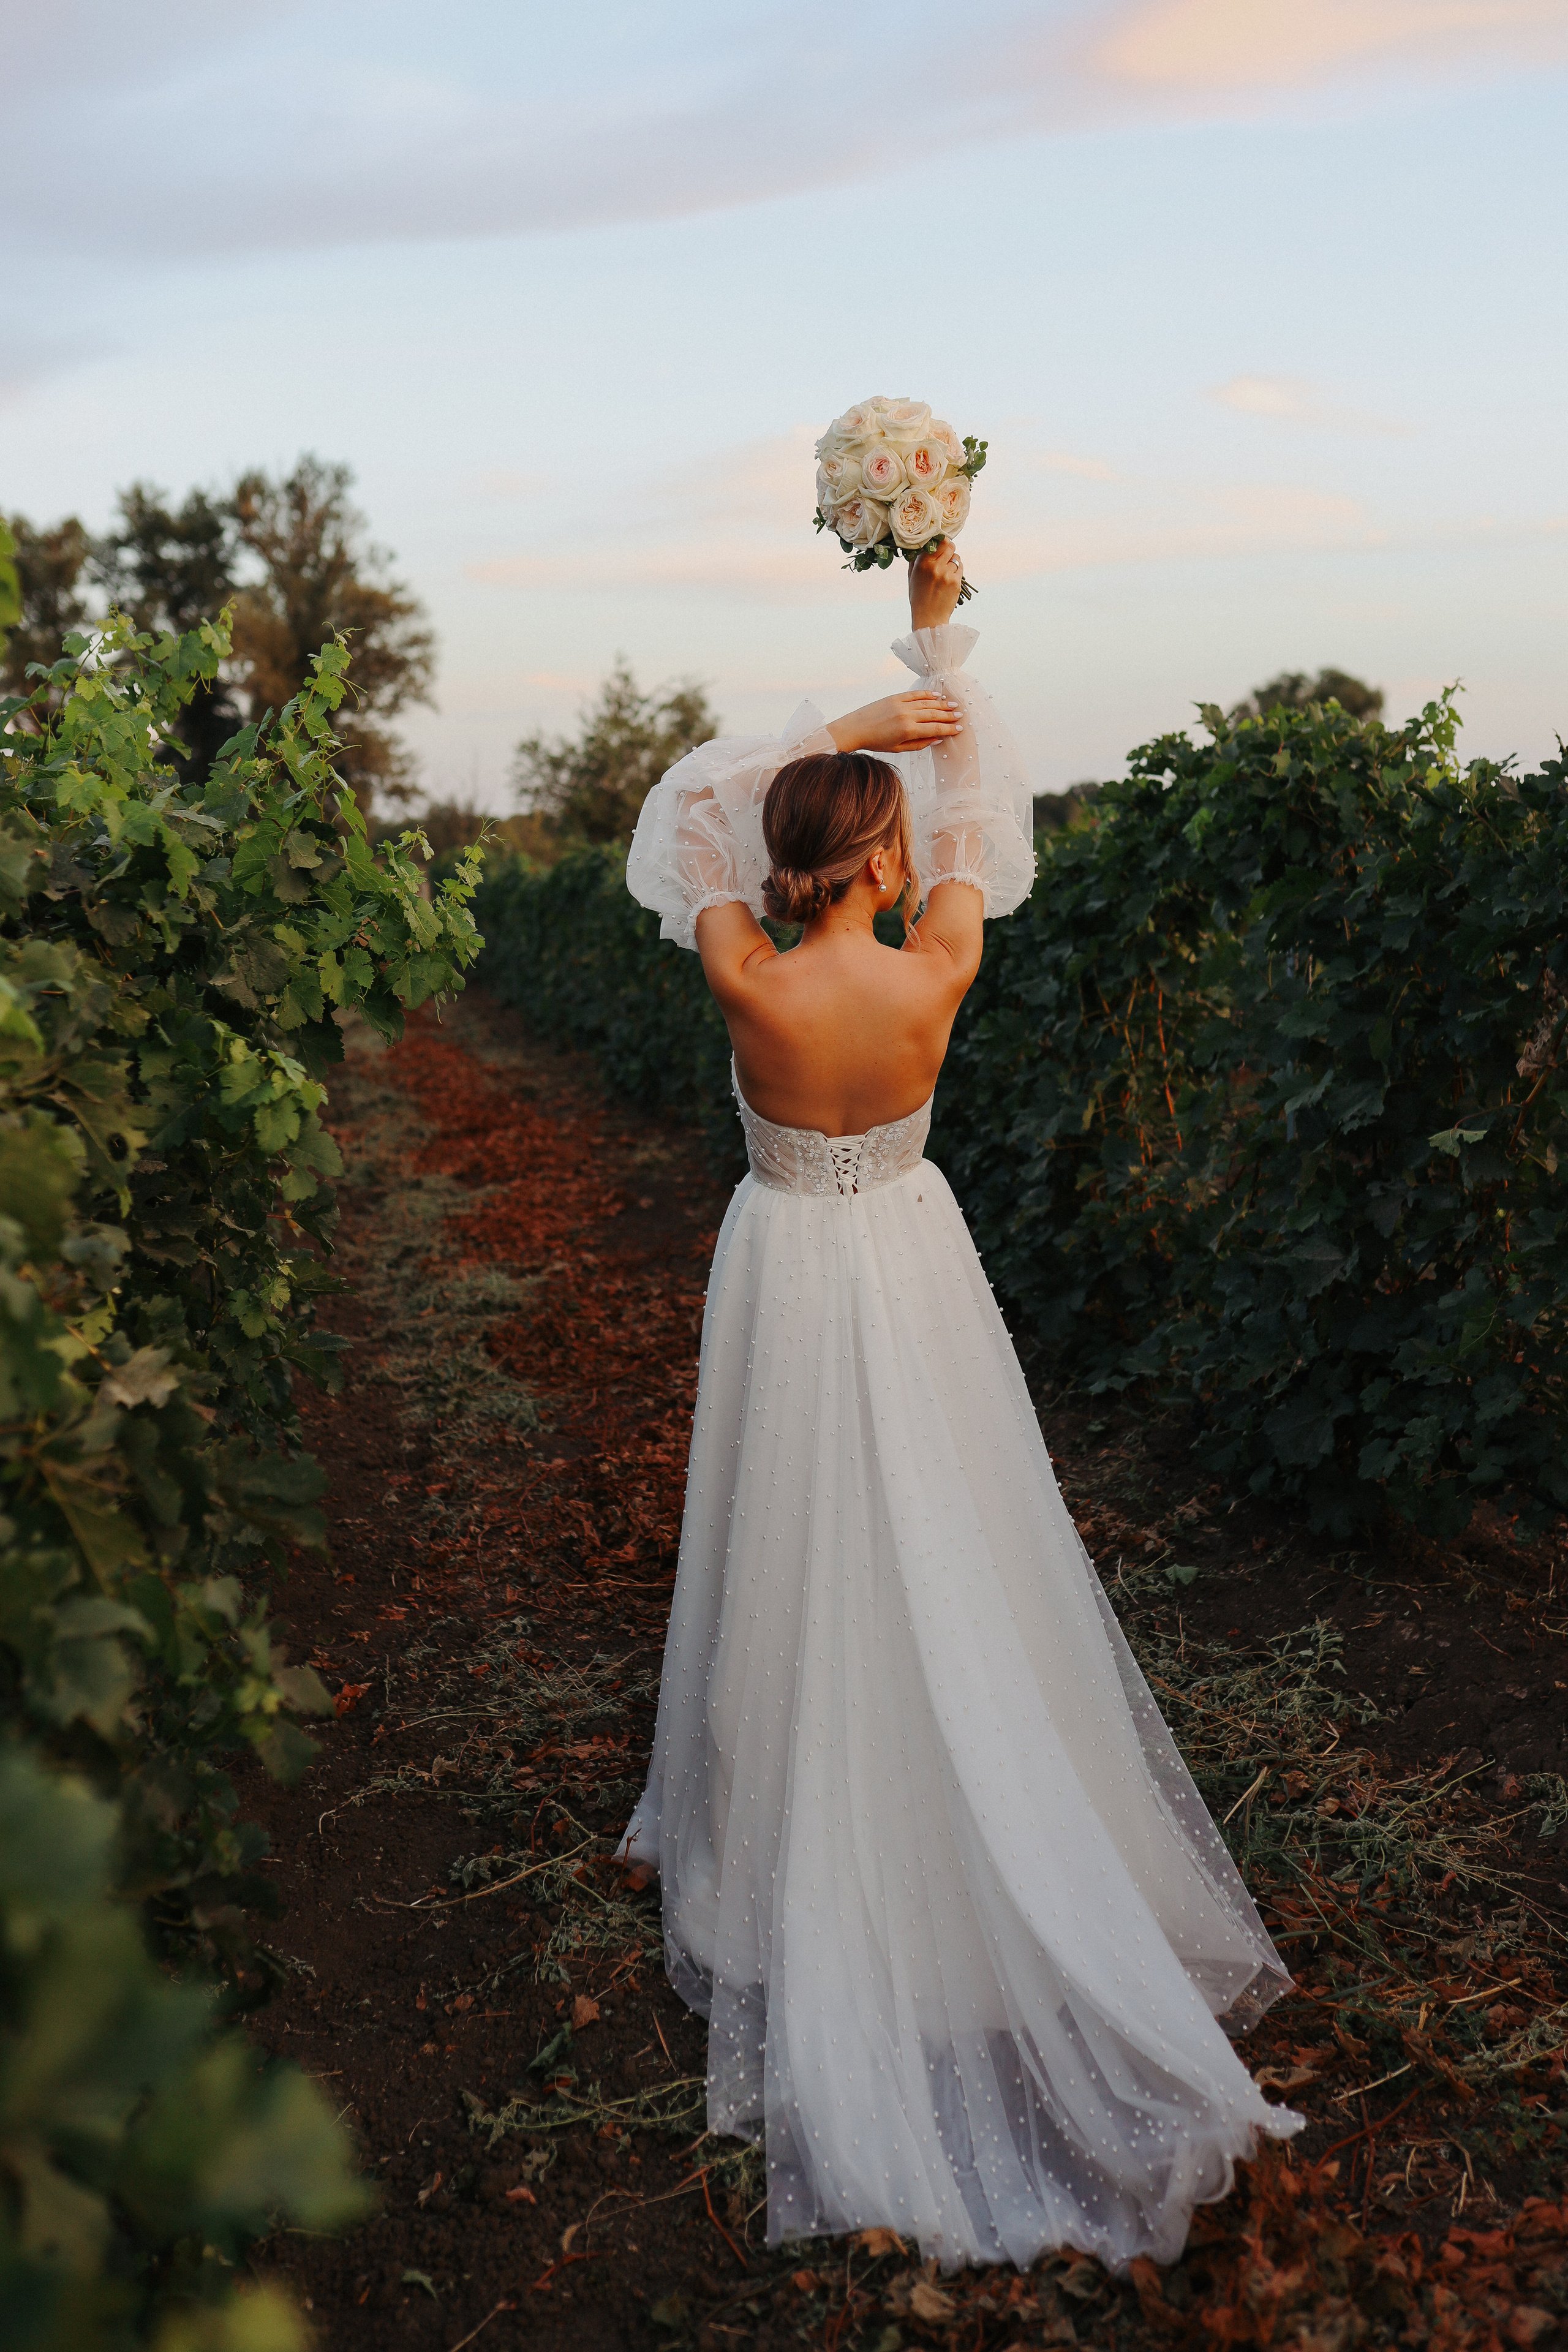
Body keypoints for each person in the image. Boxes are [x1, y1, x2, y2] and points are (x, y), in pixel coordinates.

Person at [620, 539, 1301, 2271]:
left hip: (786, 1262)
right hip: (915, 1257)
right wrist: (937, 652)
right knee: (948, 1515)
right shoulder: (941, 966)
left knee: (793, 1524)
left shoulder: (747, 977)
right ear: (889, 858)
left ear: (789, 857)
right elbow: (983, 804)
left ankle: (797, 1799)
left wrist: (847, 729)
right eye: (900, 835)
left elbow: (687, 804)